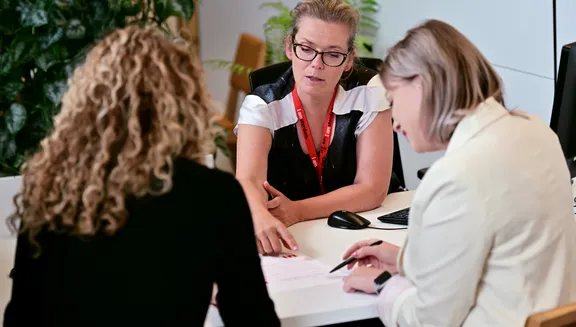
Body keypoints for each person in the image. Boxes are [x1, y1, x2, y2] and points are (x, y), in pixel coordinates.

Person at [3, 26, 280, 327]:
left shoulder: (51, 187)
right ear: (185, 105)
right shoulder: (215, 194)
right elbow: (252, 317)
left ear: (90, 104)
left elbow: (20, 315)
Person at [340, 19, 576, 327]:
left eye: (394, 99)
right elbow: (501, 255)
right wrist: (405, 261)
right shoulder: (537, 132)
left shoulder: (455, 175)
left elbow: (429, 320)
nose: (395, 122)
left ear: (421, 85)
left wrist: (385, 283)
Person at [235, 0, 395, 255]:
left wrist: (297, 210)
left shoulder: (369, 92)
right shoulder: (263, 105)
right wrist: (258, 215)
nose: (316, 64)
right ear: (290, 47)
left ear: (348, 59)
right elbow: (248, 179)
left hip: (365, 227)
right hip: (295, 237)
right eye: (306, 49)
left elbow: (372, 189)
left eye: (332, 54)